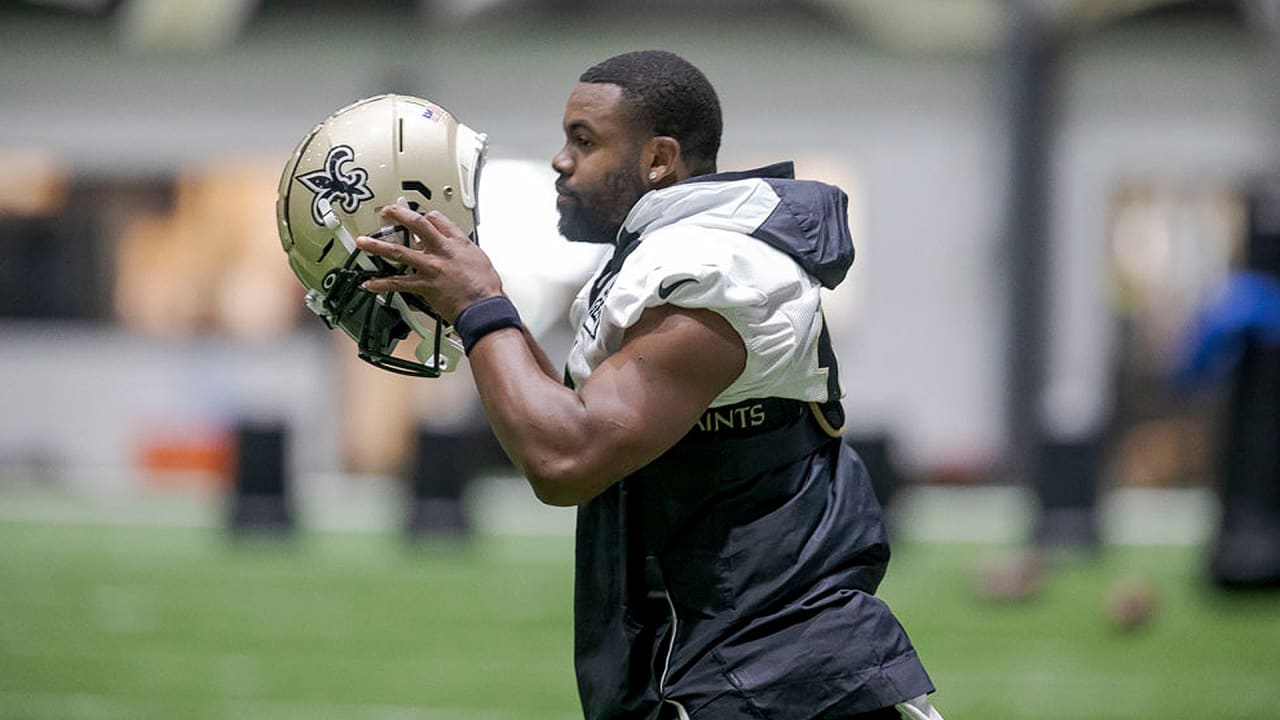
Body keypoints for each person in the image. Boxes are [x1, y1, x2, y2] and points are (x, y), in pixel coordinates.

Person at [356, 50, 942, 720]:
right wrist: (473, 315)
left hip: (775, 681)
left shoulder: (714, 267)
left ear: (660, 159)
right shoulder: (678, 253)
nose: (560, 160)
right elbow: (574, 420)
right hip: (749, 673)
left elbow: (566, 460)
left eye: (584, 140)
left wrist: (480, 306)